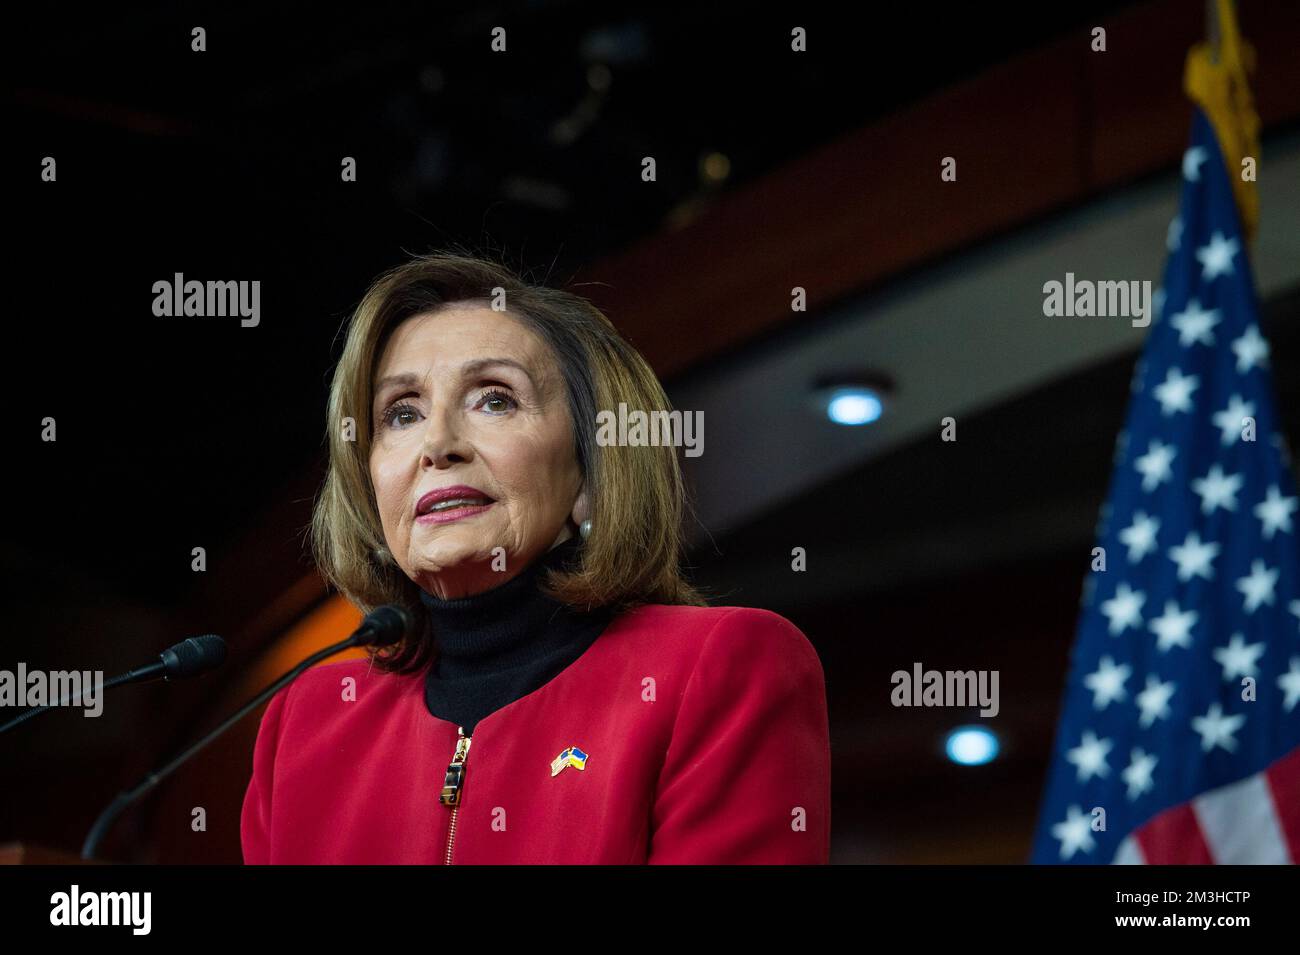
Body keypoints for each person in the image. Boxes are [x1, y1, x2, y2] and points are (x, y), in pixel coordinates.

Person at [239, 252, 831, 863]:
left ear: (591, 471)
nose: (437, 445)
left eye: (494, 400)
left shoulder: (718, 668)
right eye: (402, 414)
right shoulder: (305, 722)